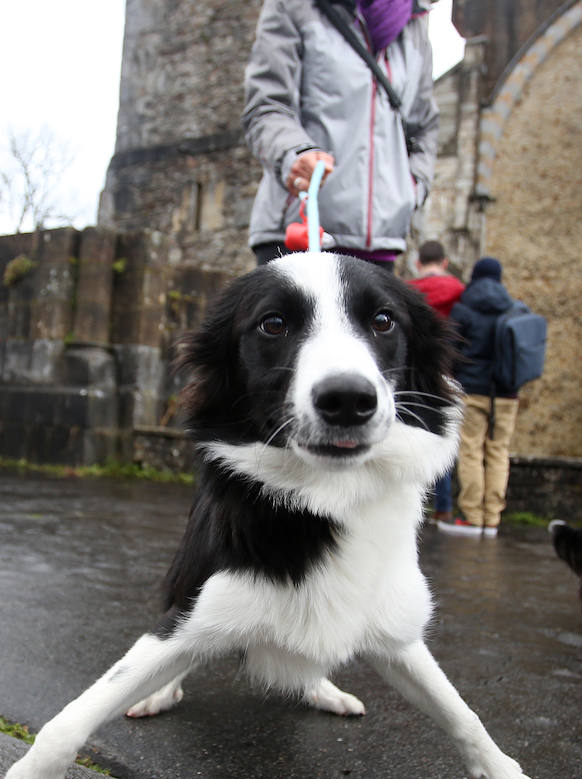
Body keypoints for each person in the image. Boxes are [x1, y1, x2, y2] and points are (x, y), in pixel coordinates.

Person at [242, 0, 439, 271]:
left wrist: (412, 188)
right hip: (299, 234)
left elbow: (425, 125)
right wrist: (297, 155)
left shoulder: (414, 26)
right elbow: (267, 106)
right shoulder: (294, 6)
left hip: (380, 242)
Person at [438, 257, 527, 538]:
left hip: (473, 391)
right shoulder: (513, 309)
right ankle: (492, 519)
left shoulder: (464, 309)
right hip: (506, 394)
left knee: (471, 451)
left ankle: (473, 517)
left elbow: (452, 351)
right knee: (499, 451)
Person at [407, 239, 463, 521]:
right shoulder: (460, 292)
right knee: (441, 437)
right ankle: (443, 508)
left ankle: (411, 504)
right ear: (444, 263)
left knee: (409, 437)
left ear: (418, 264)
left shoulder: (407, 292)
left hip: (413, 376)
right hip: (449, 374)